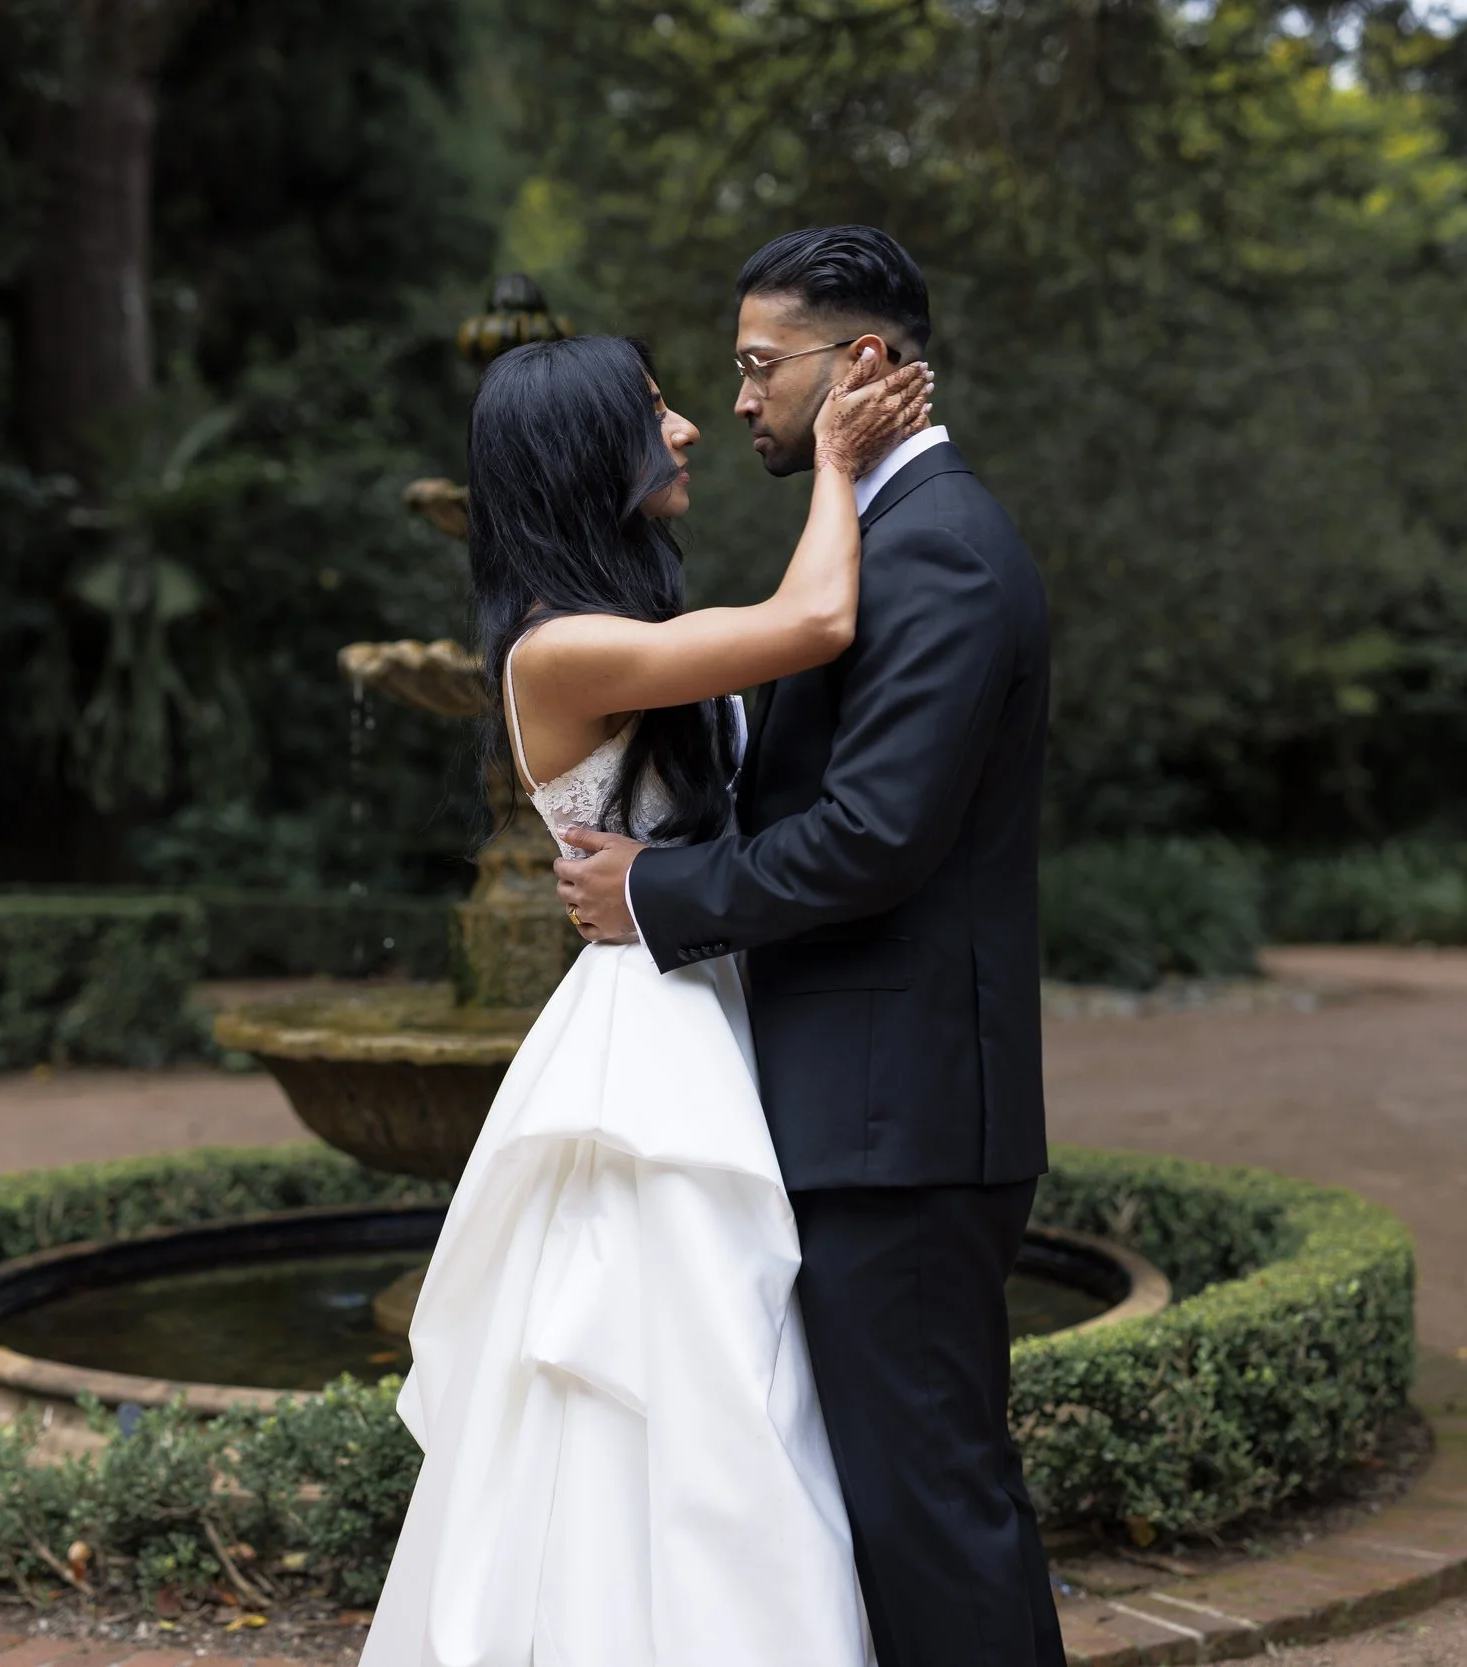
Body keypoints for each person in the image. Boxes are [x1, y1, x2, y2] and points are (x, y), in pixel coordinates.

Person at [359, 326, 932, 1667]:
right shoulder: (554, 653)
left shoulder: (624, 628)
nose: (684, 431)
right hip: (648, 1036)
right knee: (668, 1361)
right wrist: (843, 458)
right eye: (656, 411)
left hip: (700, 985)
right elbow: (814, 625)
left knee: (720, 1356)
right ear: (582, 456)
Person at [554, 225, 1063, 1667]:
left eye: (760, 367)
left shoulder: (947, 549)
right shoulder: (887, 532)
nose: (739, 400)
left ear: (870, 364)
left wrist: (661, 892)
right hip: (862, 1111)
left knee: (936, 1510)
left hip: (904, 1124)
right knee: (900, 1509)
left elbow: (876, 836)